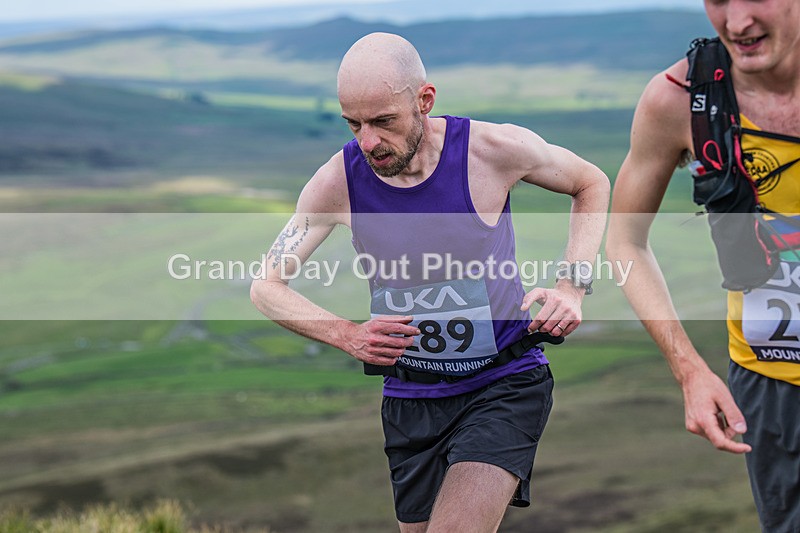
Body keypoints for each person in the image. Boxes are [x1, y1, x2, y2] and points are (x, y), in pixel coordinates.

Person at [251, 32, 609, 532]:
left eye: (383, 122)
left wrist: (572, 286)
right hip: (411, 398)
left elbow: (590, 182)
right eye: (353, 124)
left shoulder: (492, 151)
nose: (368, 141)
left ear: (425, 100)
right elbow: (266, 286)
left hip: (503, 382)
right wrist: (347, 335)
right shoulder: (338, 181)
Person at [606, 1, 800, 531]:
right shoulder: (679, 99)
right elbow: (624, 242)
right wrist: (689, 370)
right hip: (771, 388)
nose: (738, 23)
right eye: (718, 0)